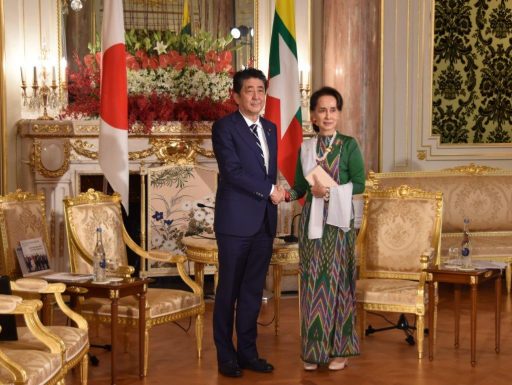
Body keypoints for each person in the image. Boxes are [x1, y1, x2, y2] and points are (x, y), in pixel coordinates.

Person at [284, 86, 365, 371]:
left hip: (339, 225)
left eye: (333, 109)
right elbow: (297, 187)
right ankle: (313, 350)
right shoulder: (306, 148)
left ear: (339, 113)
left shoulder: (349, 145)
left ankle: (339, 351)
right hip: (312, 226)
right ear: (314, 116)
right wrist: (284, 196)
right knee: (313, 285)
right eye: (322, 110)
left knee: (338, 283)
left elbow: (360, 183)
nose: (328, 115)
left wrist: (329, 193)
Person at [211, 68, 284, 377]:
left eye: (260, 90)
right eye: (250, 90)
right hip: (234, 224)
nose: (256, 96)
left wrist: (277, 191)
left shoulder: (269, 128)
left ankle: (248, 353)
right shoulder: (224, 128)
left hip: (263, 223)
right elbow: (232, 171)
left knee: (253, 292)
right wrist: (270, 191)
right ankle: (226, 357)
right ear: (236, 96)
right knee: (228, 291)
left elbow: (268, 172)